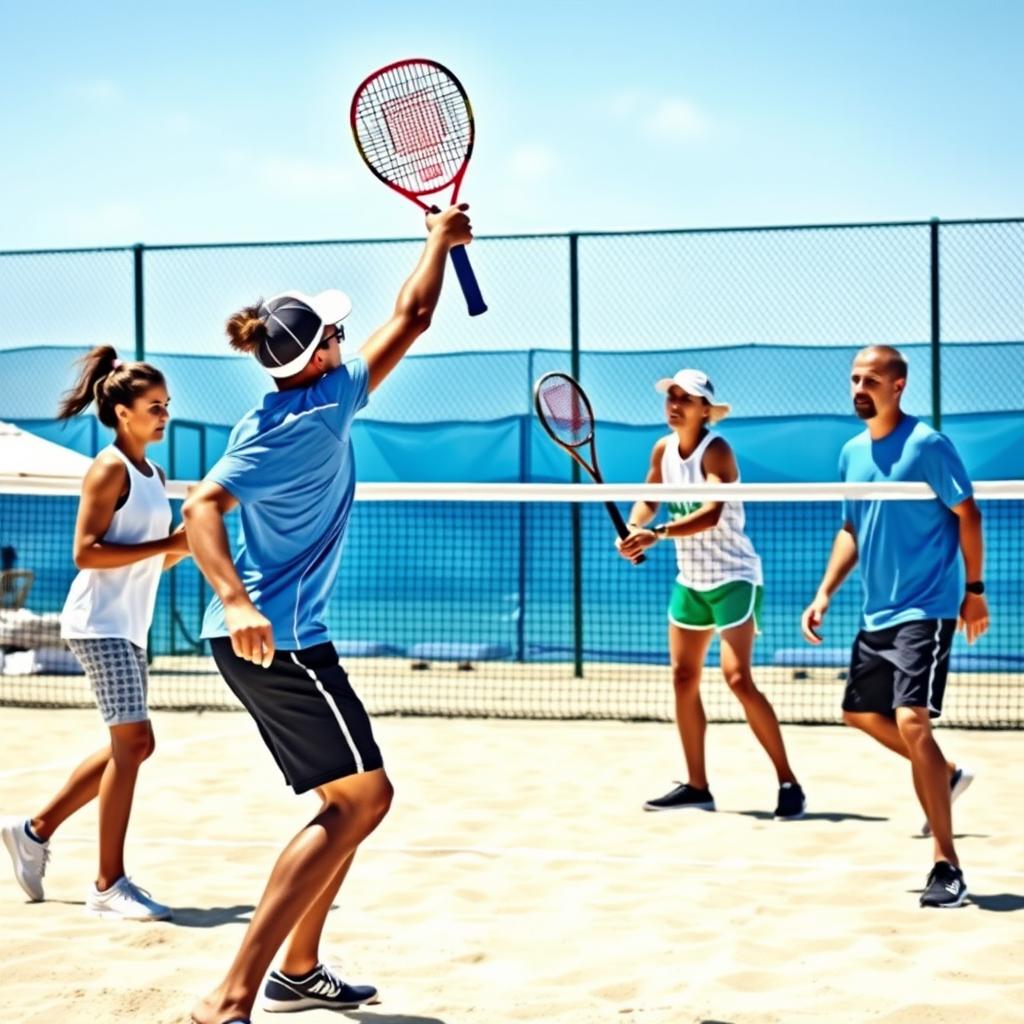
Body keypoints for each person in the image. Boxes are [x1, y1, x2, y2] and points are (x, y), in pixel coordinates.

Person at [184, 204, 473, 1024]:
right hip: (279, 640)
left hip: (269, 639)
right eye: (335, 336)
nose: (347, 342)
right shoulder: (326, 405)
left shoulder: (271, 415)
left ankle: (300, 969)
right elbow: (202, 506)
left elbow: (211, 501)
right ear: (319, 358)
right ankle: (231, 995)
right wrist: (437, 244)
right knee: (363, 802)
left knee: (347, 803)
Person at [1, 347, 190, 920]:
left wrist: (185, 546)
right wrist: (169, 543)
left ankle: (33, 831)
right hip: (98, 625)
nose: (164, 415)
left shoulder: (153, 474)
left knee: (132, 744)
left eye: (167, 405)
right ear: (123, 412)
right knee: (132, 745)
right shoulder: (109, 467)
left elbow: (146, 563)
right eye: (154, 406)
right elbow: (86, 552)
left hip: (129, 626)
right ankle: (109, 885)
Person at [800, 345, 987, 909]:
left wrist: (973, 593)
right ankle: (945, 773)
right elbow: (852, 529)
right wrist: (824, 592)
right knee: (857, 713)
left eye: (872, 379)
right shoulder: (851, 453)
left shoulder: (928, 444)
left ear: (898, 386)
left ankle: (947, 866)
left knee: (911, 721)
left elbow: (968, 513)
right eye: (855, 379)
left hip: (925, 609)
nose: (860, 387)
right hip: (875, 611)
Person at [617, 369, 806, 820]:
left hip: (734, 577)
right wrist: (633, 524)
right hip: (691, 580)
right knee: (683, 679)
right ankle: (697, 786)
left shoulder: (716, 450)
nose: (675, 403)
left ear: (706, 410)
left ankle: (788, 782)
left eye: (686, 398)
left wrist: (655, 534)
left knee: (737, 678)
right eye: (672, 396)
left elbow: (711, 513)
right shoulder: (663, 449)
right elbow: (649, 497)